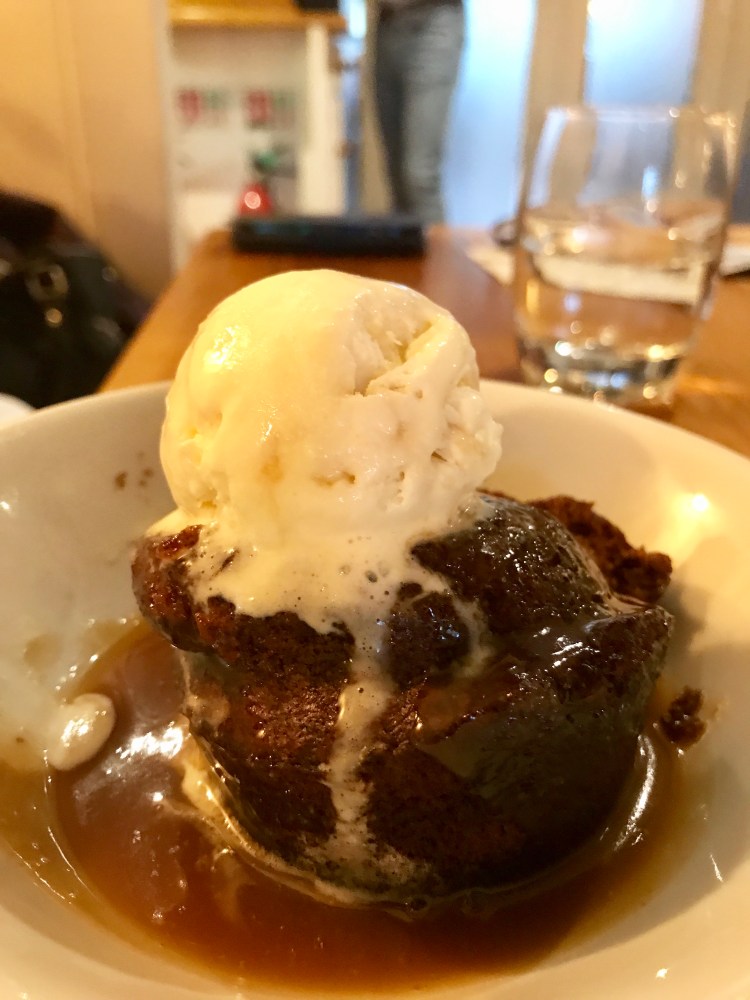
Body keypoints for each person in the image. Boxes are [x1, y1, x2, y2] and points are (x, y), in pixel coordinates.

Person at [372, 0, 465, 224]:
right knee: (396, 178)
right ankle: (407, 255)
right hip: (386, 23)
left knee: (419, 176)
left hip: (434, 20)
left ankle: (437, 257)